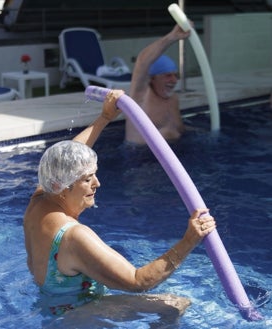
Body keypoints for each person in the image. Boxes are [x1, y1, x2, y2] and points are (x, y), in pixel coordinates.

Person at [23, 89, 216, 318]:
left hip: (51, 307)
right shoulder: (75, 237)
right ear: (64, 186)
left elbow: (66, 157)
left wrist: (105, 117)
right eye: (87, 179)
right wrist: (188, 241)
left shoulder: (39, 200)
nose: (98, 183)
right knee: (174, 304)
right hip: (79, 317)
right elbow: (138, 281)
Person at [125, 25, 191, 145]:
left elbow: (180, 130)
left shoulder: (173, 98)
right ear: (152, 78)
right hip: (142, 158)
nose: (174, 80)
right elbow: (142, 61)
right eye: (167, 76)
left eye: (175, 75)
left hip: (177, 152)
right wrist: (172, 37)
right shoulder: (140, 98)